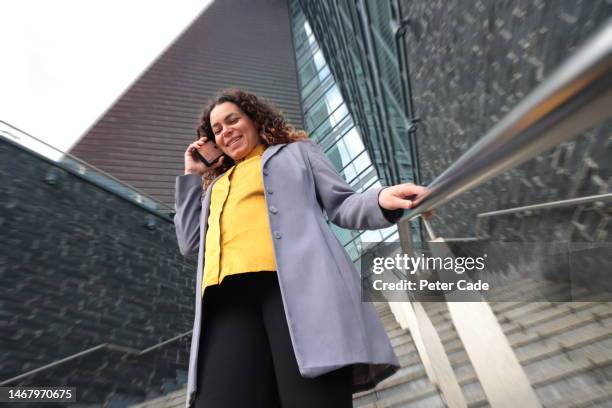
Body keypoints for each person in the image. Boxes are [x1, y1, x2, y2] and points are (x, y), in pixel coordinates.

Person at [174, 88, 431, 408]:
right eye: (217, 130)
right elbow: (190, 242)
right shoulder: (215, 187)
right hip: (226, 302)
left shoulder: (297, 153)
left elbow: (343, 204)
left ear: (253, 120)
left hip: (295, 290)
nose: (226, 131)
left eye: (232, 120)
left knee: (311, 398)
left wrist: (380, 200)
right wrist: (191, 175)